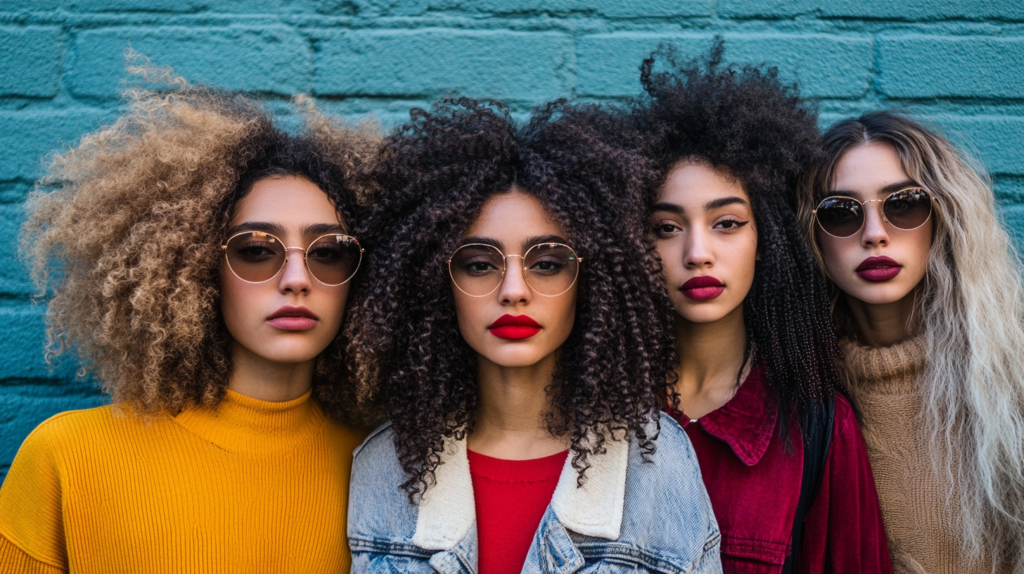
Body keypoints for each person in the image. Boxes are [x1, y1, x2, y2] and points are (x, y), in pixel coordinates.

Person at [0, 70, 377, 573]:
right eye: (255, 250)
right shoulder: (67, 458)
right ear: (196, 265)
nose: (295, 278)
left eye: (328, 251)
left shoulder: (385, 469)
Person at [344, 97, 722, 573]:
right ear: (437, 284)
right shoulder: (383, 466)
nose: (514, 291)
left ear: (592, 281)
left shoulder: (658, 467)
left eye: (546, 264)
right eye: (480, 264)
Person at [617, 44, 893, 573]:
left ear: (763, 237)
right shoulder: (595, 412)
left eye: (727, 223)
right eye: (667, 228)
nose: (697, 253)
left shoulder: (816, 425)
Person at [796, 110, 1024, 574]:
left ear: (943, 215)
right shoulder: (795, 396)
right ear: (810, 235)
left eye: (903, 205)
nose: (875, 235)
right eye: (841, 213)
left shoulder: (1010, 380)